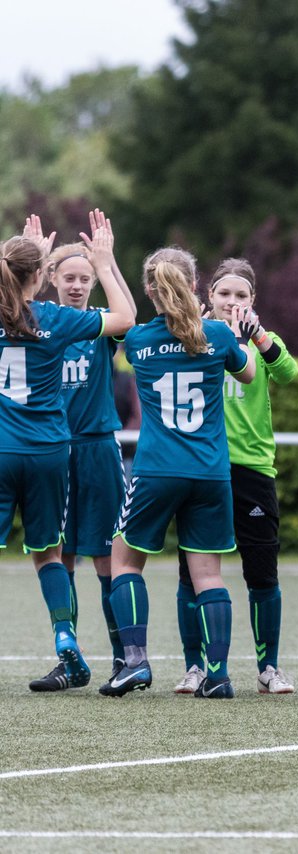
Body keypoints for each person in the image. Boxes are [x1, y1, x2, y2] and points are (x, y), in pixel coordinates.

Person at [102, 246, 256, 698]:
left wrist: (104, 264)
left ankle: (135, 662)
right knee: (209, 576)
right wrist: (233, 335)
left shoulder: (139, 340)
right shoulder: (217, 335)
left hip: (156, 469)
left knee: (125, 561)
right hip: (210, 471)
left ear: (151, 289)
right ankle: (219, 675)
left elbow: (120, 320)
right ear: (195, 286)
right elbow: (246, 374)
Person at [0, 218, 134, 691]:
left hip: (20, 449)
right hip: (48, 451)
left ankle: (117, 656)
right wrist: (104, 259)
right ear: (45, 276)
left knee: (91, 556)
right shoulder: (52, 320)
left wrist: (26, 258)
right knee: (51, 552)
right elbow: (125, 317)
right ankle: (65, 640)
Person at [173, 259, 298, 695]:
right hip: (202, 468)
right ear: (209, 297)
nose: (232, 301)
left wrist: (259, 336)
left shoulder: (265, 342)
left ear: (253, 301)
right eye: (224, 293)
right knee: (193, 575)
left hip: (253, 470)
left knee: (262, 573)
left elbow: (288, 373)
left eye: (241, 295)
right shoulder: (195, 337)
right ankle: (195, 666)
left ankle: (269, 668)